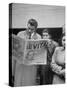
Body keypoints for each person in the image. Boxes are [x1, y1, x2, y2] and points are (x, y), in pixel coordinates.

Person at [13, 19, 41, 86]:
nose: (29, 30)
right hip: (20, 63)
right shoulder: (20, 34)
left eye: (32, 29)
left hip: (31, 65)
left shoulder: (39, 37)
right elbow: (15, 48)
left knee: (29, 83)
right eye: (28, 28)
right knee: (18, 82)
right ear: (27, 25)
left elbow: (39, 53)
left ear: (35, 29)